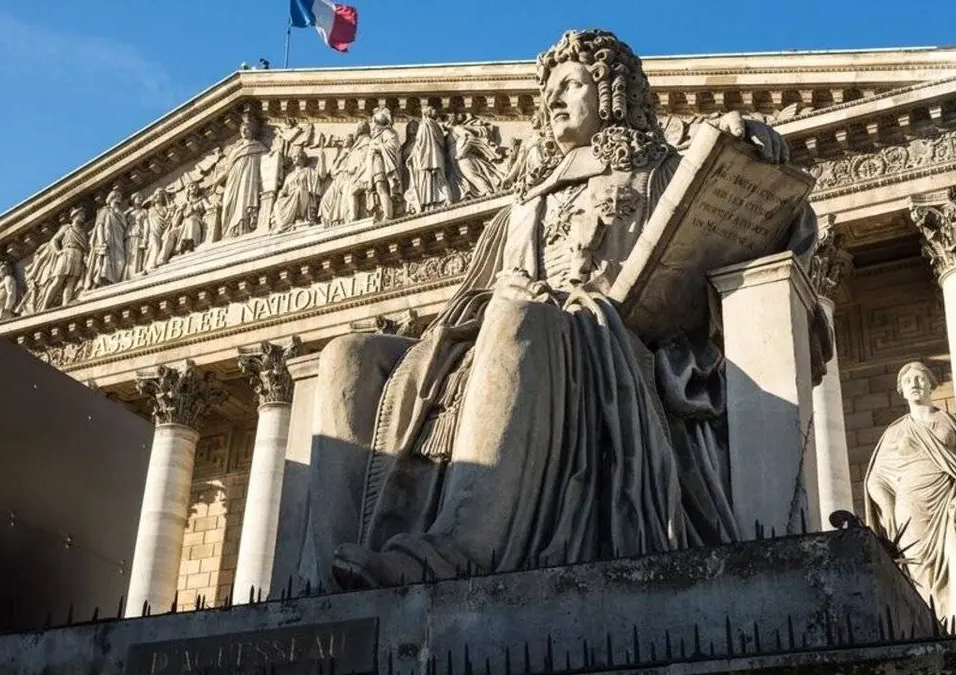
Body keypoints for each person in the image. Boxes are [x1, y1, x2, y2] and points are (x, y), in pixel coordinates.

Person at [301, 29, 816, 592]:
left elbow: (768, 227)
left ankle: (463, 548)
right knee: (350, 355)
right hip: (501, 344)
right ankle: (324, 574)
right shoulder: (526, 202)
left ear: (613, 93)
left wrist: (753, 150)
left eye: (571, 84)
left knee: (518, 314)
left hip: (611, 352)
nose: (553, 100)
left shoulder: (663, 173)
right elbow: (464, 307)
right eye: (548, 91)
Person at [864, 361, 956, 632]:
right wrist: (888, 509)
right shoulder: (894, 432)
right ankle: (933, 635)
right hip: (910, 511)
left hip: (952, 504)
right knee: (919, 580)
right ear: (901, 391)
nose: (915, 384)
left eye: (920, 378)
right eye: (908, 381)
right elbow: (876, 479)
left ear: (931, 384)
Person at [219, 111, 267, 238]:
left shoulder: (258, 146)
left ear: (252, 131)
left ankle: (243, 227)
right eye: (243, 130)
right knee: (228, 204)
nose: (245, 132)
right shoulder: (235, 150)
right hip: (233, 179)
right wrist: (215, 183)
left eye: (248, 129)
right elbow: (227, 169)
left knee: (244, 199)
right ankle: (229, 230)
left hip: (249, 176)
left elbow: (269, 161)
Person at [38, 207, 91, 310]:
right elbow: (54, 240)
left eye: (83, 215)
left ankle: (65, 304)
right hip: (66, 253)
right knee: (58, 279)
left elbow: (85, 248)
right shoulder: (67, 228)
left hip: (78, 255)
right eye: (81, 215)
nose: (83, 217)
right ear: (74, 216)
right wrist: (58, 251)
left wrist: (85, 256)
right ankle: (44, 306)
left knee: (71, 281)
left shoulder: (83, 232)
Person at [404, 104, 451, 212]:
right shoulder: (436, 126)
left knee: (430, 180)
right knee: (440, 179)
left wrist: (411, 156)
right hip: (437, 157)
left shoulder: (424, 125)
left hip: (426, 159)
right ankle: (446, 199)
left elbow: (419, 143)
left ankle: (432, 202)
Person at [85, 187, 129, 289]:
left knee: (121, 261)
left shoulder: (120, 213)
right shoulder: (104, 210)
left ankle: (114, 281)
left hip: (119, 239)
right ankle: (103, 282)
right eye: (117, 196)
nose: (120, 198)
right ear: (112, 198)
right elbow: (99, 225)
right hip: (107, 239)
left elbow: (125, 225)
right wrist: (101, 241)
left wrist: (119, 213)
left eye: (120, 196)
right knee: (106, 261)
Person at [271, 147, 323, 231]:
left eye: (295, 156)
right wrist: (281, 193)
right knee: (277, 203)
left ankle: (300, 217)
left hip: (303, 194)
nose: (293, 159)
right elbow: (284, 189)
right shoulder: (289, 175)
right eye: (293, 157)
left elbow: (319, 177)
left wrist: (322, 160)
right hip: (290, 197)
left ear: (301, 157)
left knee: (300, 190)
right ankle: (282, 225)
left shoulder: (308, 171)